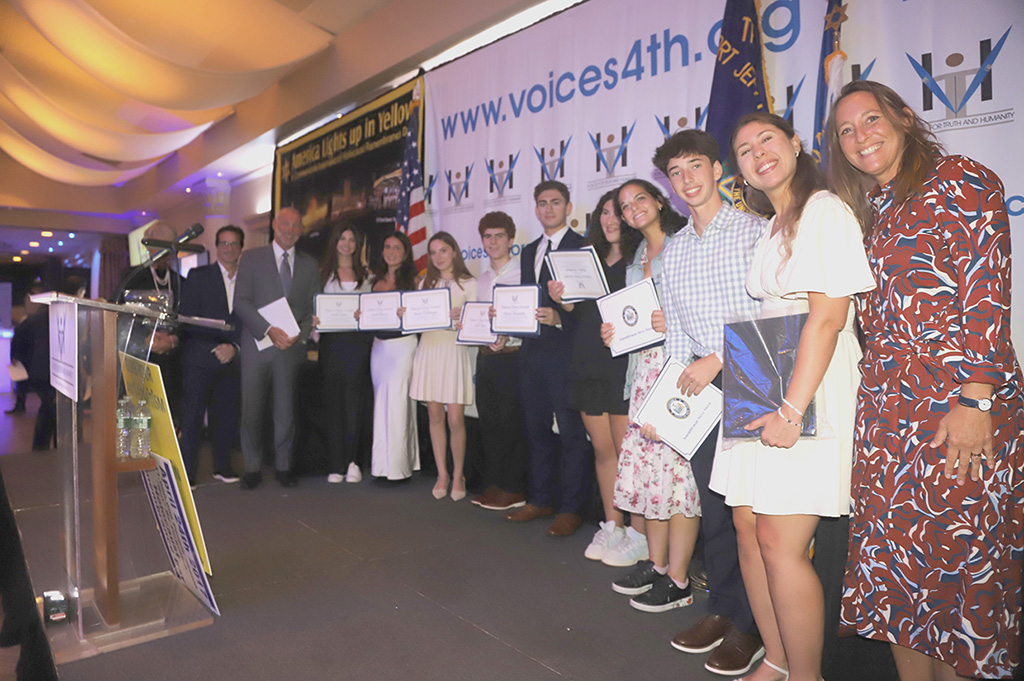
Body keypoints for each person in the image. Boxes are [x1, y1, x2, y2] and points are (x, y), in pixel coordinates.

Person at [827, 80, 1024, 681]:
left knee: (959, 579)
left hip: (957, 410)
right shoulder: (875, 207)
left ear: (905, 118)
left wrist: (976, 398)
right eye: (845, 130)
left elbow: (987, 293)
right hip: (889, 417)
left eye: (871, 119)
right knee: (898, 580)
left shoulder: (962, 179)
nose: (860, 137)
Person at [708, 113, 875, 681]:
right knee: (748, 527)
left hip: (807, 375)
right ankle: (776, 661)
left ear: (796, 144)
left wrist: (791, 408)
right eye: (744, 149)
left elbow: (828, 318)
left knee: (781, 538)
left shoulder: (824, 209)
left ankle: (807, 675)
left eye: (767, 141)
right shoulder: (773, 225)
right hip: (762, 364)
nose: (757, 154)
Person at [646, 130, 767, 675]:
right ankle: (723, 608)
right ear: (669, 186)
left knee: (753, 514)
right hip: (697, 389)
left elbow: (772, 313)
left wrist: (719, 357)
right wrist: (661, 407)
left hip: (751, 380)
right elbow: (674, 338)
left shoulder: (752, 232)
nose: (688, 179)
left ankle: (756, 626)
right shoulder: (671, 251)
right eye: (676, 172)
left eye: (696, 166)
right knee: (714, 509)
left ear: (717, 169)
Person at [600, 179, 700, 613]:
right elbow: (631, 325)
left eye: (640, 198)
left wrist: (670, 323)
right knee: (651, 480)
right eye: (625, 205)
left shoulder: (685, 247)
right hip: (642, 378)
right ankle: (658, 567)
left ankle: (679, 579)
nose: (633, 208)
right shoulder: (634, 260)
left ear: (660, 201)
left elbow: (701, 312)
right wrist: (614, 334)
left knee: (679, 483)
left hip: (679, 375)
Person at [547, 190, 638, 563]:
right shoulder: (590, 257)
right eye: (604, 212)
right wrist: (561, 297)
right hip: (586, 359)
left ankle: (636, 533)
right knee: (603, 452)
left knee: (626, 452)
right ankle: (611, 526)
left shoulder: (640, 258)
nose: (611, 219)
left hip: (621, 363)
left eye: (618, 212)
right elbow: (576, 310)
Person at [504, 180, 593, 538]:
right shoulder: (527, 251)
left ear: (568, 208)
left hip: (567, 354)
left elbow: (590, 307)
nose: (548, 209)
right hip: (531, 353)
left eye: (556, 203)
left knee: (572, 434)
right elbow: (526, 299)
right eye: (542, 203)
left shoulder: (583, 247)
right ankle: (540, 498)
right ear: (535, 208)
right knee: (535, 428)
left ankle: (571, 508)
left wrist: (561, 318)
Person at [234, 207, 321, 489]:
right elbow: (241, 302)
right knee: (252, 409)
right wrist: (268, 330)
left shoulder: (309, 265)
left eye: (296, 226)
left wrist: (301, 334)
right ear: (273, 225)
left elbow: (311, 310)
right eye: (285, 223)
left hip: (290, 348)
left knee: (285, 412)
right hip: (256, 345)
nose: (290, 229)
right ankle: (252, 467)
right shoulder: (251, 258)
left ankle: (284, 466)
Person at [409, 232, 477, 500]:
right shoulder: (425, 282)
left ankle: (458, 473)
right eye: (433, 252)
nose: (438, 257)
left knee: (455, 418)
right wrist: (406, 313)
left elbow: (479, 323)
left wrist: (466, 317)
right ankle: (442, 474)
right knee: (435, 416)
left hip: (452, 352)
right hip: (429, 350)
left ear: (455, 252)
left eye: (443, 251)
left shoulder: (468, 284)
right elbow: (415, 321)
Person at [470, 212, 529, 512]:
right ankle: (495, 483)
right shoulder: (481, 279)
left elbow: (528, 318)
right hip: (486, 359)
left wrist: (508, 334)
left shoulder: (522, 274)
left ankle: (514, 487)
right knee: (489, 424)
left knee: (511, 423)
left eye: (499, 236)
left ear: (510, 239)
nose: (493, 242)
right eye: (487, 237)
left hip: (511, 358)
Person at [178, 225, 244, 485]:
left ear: (241, 248)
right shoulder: (198, 276)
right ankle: (187, 473)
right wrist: (215, 346)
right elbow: (188, 318)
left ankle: (223, 467)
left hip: (232, 358)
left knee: (226, 416)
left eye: (234, 244)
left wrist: (234, 348)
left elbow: (248, 320)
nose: (229, 249)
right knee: (192, 418)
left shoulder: (248, 279)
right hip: (200, 357)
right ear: (217, 247)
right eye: (224, 244)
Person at [317, 224, 372, 484]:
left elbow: (374, 311)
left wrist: (367, 315)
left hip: (358, 346)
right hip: (331, 345)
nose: (347, 244)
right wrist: (315, 319)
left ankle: (353, 461)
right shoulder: (322, 274)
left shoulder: (368, 276)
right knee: (333, 404)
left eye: (352, 239)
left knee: (355, 404)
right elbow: (310, 309)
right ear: (334, 242)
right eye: (342, 238)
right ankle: (335, 463)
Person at [367, 231, 421, 481]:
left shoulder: (415, 281)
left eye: (397, 247)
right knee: (381, 403)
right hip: (379, 349)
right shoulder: (373, 282)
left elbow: (421, 318)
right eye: (387, 246)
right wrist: (361, 317)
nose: (391, 251)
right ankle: (381, 466)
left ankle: (400, 468)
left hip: (403, 347)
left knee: (399, 404)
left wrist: (408, 313)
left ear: (406, 253)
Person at [119, 220, 184, 425]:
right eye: (154, 245)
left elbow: (186, 320)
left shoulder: (181, 281)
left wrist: (173, 339)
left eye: (166, 245)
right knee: (137, 424)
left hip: (171, 362)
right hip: (139, 358)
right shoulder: (132, 277)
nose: (160, 251)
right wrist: (145, 338)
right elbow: (119, 315)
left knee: (166, 422)